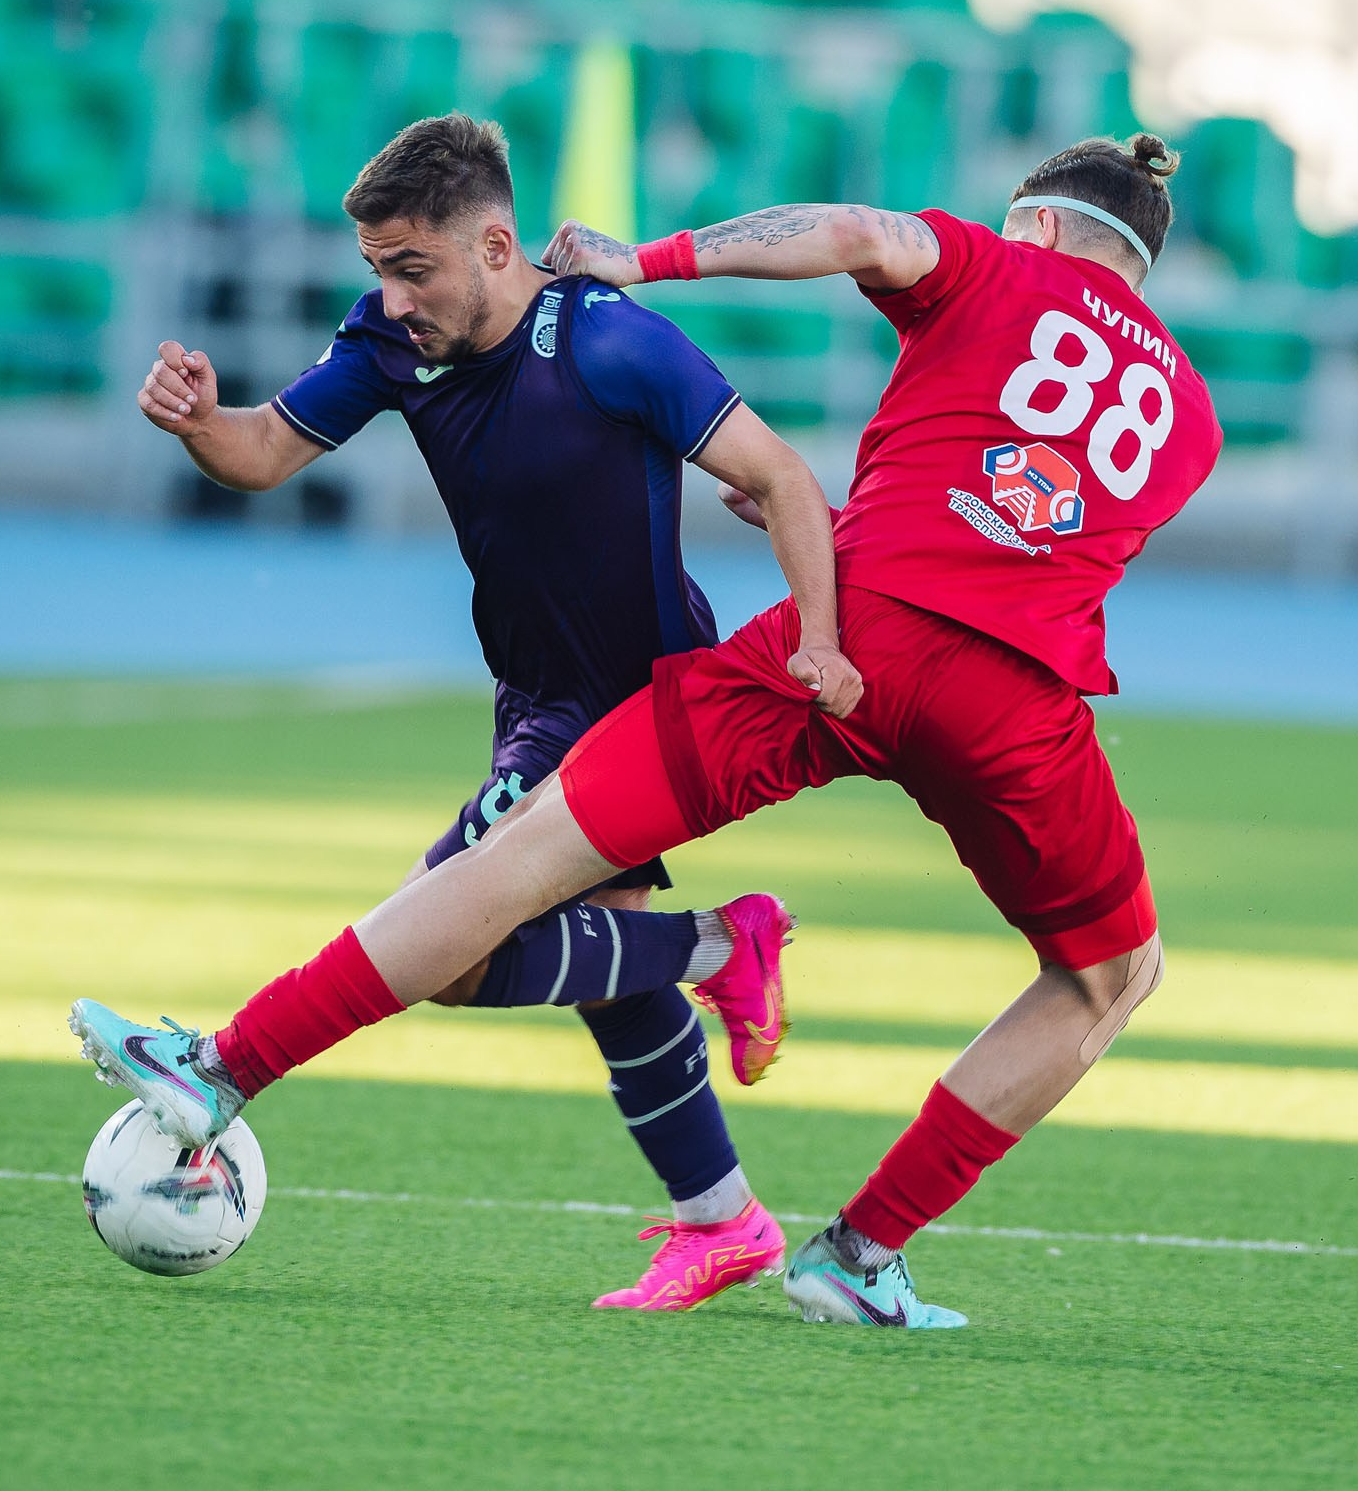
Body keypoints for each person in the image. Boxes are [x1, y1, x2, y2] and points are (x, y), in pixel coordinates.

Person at [72, 131, 1218, 1330]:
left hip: (841, 636)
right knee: (1107, 975)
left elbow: (860, 237)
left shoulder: (989, 263)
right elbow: (1021, 529)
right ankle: (858, 1249)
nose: (395, 292)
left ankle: (225, 1066)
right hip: (1013, 694)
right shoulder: (1189, 419)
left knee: (510, 873)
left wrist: (652, 256)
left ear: (1035, 221)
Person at [94, 112, 861, 1310]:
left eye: (414, 268)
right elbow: (258, 455)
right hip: (532, 695)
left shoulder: (613, 342)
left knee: (440, 944)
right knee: (602, 966)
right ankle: (724, 1220)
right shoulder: (394, 343)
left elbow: (780, 477)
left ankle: (723, 943)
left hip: (631, 699)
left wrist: (818, 639)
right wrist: (200, 420)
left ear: (497, 247)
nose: (393, 298)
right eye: (378, 271)